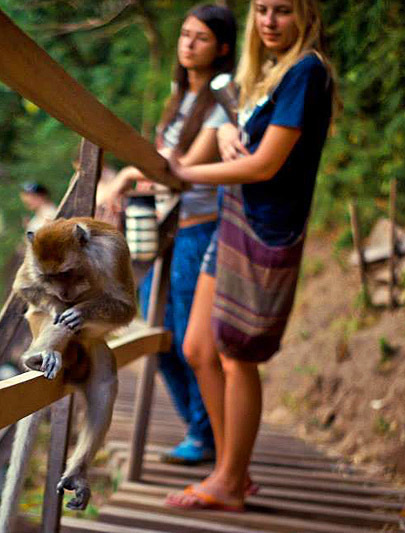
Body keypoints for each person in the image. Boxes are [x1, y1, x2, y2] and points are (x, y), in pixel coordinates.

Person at [165, 0, 337, 511]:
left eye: (282, 10)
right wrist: (222, 132)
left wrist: (185, 173)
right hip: (233, 219)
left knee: (237, 354)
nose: (268, 21)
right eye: (261, 9)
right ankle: (228, 466)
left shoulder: (307, 71)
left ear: (304, 15)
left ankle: (230, 481)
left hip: (265, 230)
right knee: (197, 346)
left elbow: (264, 166)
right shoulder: (269, 72)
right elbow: (237, 129)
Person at [99, 4, 237, 465]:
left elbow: (183, 171)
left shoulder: (221, 99)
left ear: (222, 48)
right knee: (161, 340)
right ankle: (201, 429)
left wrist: (121, 179)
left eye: (200, 37)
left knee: (182, 341)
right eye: (185, 34)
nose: (188, 44)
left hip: (201, 231)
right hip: (170, 232)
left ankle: (206, 435)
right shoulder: (178, 99)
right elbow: (163, 170)